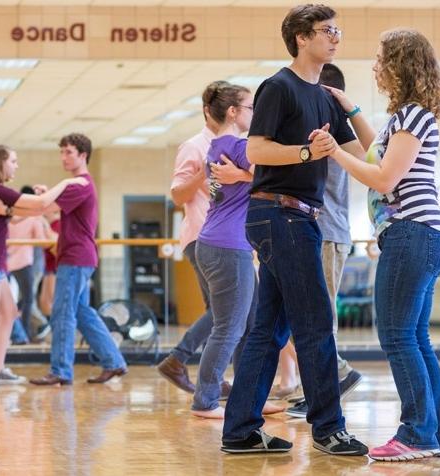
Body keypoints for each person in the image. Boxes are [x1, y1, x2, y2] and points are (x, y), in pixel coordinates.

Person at [221, 4, 368, 456]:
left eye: (337, 30)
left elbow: (369, 156)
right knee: (316, 321)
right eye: (327, 30)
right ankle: (328, 427)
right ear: (301, 37)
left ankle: (240, 430)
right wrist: (307, 153)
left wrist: (351, 106)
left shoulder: (326, 97)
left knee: (269, 328)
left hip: (301, 217)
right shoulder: (278, 87)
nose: (336, 37)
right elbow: (258, 150)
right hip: (278, 215)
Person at [311, 28, 440, 462]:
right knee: (415, 338)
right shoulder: (406, 117)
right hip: (419, 235)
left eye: (380, 58)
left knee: (396, 336)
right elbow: (378, 153)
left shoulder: (413, 115)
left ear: (400, 64)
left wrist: (334, 151)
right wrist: (351, 109)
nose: (374, 66)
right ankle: (434, 432)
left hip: (413, 232)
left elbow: (383, 177)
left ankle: (416, 433)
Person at [0, 133, 127, 386]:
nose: (64, 157)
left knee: (62, 313)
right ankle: (114, 362)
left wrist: (4, 210)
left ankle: (61, 370)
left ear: (83, 155)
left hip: (76, 257)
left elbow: (41, 208)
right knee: (81, 312)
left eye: (69, 152)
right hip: (78, 256)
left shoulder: (79, 184)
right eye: (62, 152)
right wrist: (47, 194)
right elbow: (49, 205)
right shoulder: (78, 185)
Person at [187, 81, 285, 420]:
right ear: (233, 112)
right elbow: (272, 178)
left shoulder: (216, 146)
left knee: (252, 322)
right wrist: (246, 174)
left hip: (217, 242)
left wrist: (242, 175)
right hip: (228, 246)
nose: (254, 115)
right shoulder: (240, 146)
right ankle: (205, 400)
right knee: (229, 327)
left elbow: (247, 179)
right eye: (249, 108)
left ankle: (250, 396)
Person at [0, 144, 87, 386]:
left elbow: (21, 214)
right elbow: (39, 204)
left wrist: (19, 206)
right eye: (14, 161)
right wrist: (67, 183)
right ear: (1, 163)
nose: (17, 166)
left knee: (8, 313)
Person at [280, 63, 366, 418]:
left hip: (327, 233)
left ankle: (337, 377)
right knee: (305, 316)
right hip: (317, 232)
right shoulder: (316, 130)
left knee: (319, 317)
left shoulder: (333, 133)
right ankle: (315, 387)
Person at [157, 80, 253, 399]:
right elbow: (177, 195)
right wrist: (206, 172)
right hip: (203, 237)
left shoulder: (237, 143)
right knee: (228, 314)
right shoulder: (195, 146)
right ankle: (182, 360)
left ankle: (233, 387)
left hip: (227, 239)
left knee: (237, 314)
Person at [6, 188, 54, 341]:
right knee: (27, 300)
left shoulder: (12, 217)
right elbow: (42, 242)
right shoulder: (34, 218)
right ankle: (25, 332)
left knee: (16, 301)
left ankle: (21, 332)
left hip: (9, 263)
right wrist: (47, 229)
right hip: (24, 263)